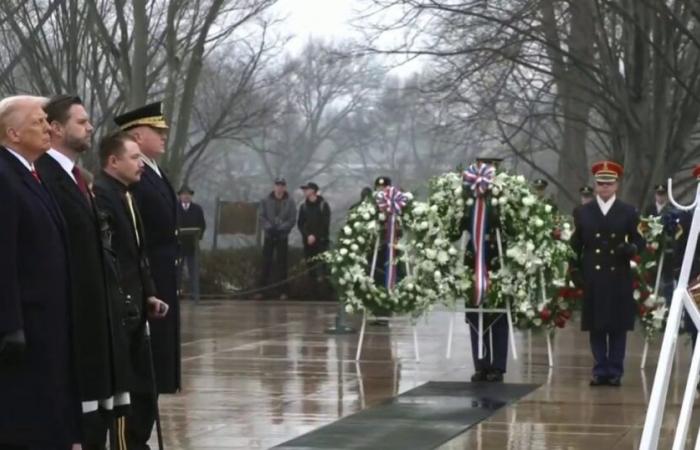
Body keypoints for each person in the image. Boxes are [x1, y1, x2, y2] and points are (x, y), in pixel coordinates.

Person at [36, 95, 129, 449]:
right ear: (56, 129)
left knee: (100, 419)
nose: (90, 127)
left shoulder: (77, 177)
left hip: (97, 315)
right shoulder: (45, 177)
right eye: (81, 121)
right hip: (71, 317)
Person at [0, 95, 81, 449]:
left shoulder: (30, 174)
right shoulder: (4, 176)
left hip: (48, 323)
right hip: (26, 327)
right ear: (13, 133)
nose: (49, 128)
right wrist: (9, 324)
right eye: (38, 122)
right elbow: (4, 255)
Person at [93, 132, 169, 450]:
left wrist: (149, 292)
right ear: (113, 161)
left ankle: (139, 442)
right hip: (120, 307)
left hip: (137, 304)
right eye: (134, 158)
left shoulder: (127, 194)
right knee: (127, 392)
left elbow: (138, 253)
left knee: (144, 391)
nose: (141, 164)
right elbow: (112, 256)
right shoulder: (102, 194)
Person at [113, 102, 180, 445]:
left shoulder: (153, 170)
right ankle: (134, 438)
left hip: (164, 280)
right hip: (149, 281)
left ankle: (141, 436)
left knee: (157, 369)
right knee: (144, 369)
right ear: (138, 135)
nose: (164, 135)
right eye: (158, 131)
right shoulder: (136, 178)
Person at [570, 160, 644, 387]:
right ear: (595, 185)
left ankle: (615, 370)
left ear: (616, 186)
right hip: (594, 273)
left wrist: (632, 249)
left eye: (609, 184)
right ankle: (600, 369)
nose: (604, 188)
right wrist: (574, 269)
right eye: (600, 184)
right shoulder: (582, 212)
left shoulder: (628, 211)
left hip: (618, 273)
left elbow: (639, 239)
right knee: (597, 325)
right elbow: (575, 244)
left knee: (617, 325)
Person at [456, 157, 509, 383]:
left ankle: (497, 366)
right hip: (473, 257)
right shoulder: (467, 194)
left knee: (497, 315)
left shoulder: (505, 194)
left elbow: (512, 226)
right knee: (475, 314)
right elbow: (458, 227)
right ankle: (481, 364)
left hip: (497, 259)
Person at [257, 177, 297, 300]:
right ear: (274, 186)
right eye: (277, 185)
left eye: (282, 185)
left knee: (282, 264)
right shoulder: (265, 200)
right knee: (266, 263)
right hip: (269, 235)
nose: (279, 187)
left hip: (282, 235)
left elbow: (292, 219)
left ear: (285, 187)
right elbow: (261, 216)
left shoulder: (290, 202)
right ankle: (261, 290)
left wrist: (281, 228)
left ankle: (283, 291)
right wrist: (269, 227)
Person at [297, 182, 331, 299]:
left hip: (321, 242)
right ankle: (313, 294)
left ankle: (326, 295)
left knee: (323, 268)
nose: (305, 191)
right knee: (310, 267)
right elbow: (300, 224)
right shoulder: (303, 206)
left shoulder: (323, 205)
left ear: (313, 191)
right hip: (308, 242)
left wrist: (315, 236)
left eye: (307, 189)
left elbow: (325, 224)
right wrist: (308, 235)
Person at [177, 185, 206, 303]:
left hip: (192, 245)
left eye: (188, 194)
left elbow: (202, 225)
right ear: (180, 196)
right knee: (177, 272)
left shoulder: (197, 209)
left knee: (193, 271)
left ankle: (195, 295)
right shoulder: (175, 208)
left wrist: (198, 236)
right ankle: (176, 294)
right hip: (178, 245)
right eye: (183, 194)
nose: (186, 196)